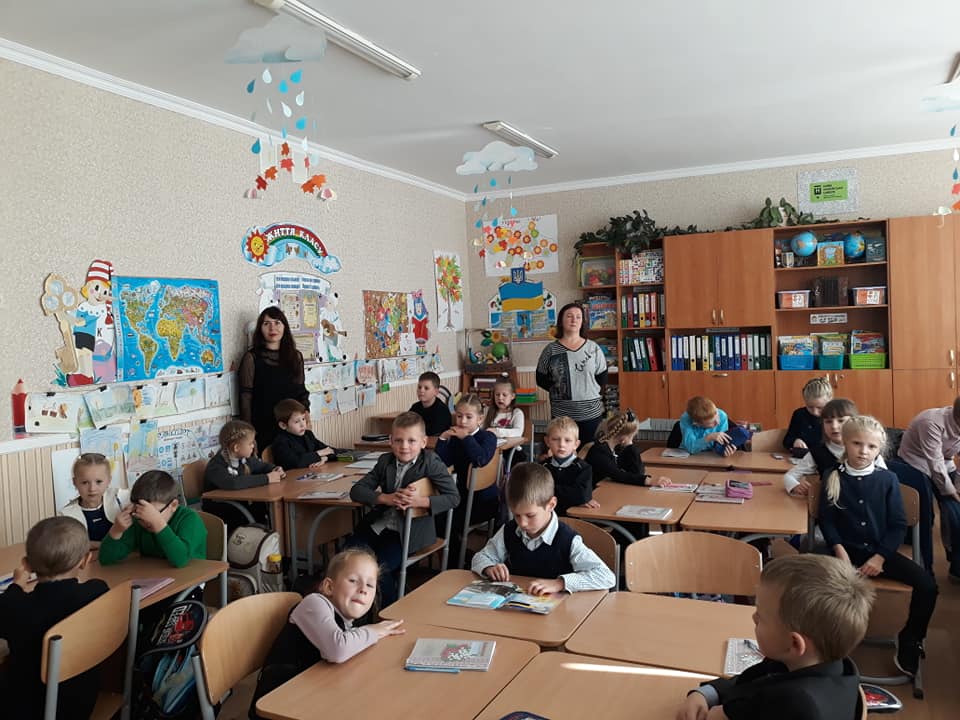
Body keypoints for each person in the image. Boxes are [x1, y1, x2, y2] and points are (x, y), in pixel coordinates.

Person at [675, 554, 874, 720]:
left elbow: (757, 699)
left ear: (794, 643)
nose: (753, 618)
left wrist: (724, 714)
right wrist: (706, 694)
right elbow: (750, 681)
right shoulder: (825, 663)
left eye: (761, 617)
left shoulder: (795, 704)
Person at [818, 416, 938, 677]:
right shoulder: (832, 475)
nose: (863, 451)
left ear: (879, 449)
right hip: (843, 552)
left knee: (928, 586)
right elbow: (826, 520)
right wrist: (839, 550)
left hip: (879, 552)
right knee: (813, 584)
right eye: (857, 444)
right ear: (845, 443)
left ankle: (910, 639)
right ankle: (824, 644)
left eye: (871, 446)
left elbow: (898, 525)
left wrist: (880, 557)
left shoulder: (888, 479)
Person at [249, 548, 405, 720]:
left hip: (310, 698)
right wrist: (373, 631)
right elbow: (338, 649)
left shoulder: (346, 622)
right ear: (329, 586)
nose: (363, 589)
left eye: (370, 585)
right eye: (353, 580)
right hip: (276, 708)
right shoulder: (314, 603)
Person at [0, 517, 109, 720]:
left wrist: (16, 585)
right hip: (82, 702)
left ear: (27, 564)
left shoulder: (15, 607)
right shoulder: (97, 591)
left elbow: (6, 605)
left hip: (27, 710)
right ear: (85, 560)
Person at [348, 412, 459, 605]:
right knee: (347, 559)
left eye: (411, 441)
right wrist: (385, 498)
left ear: (423, 442)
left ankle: (389, 610)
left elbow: (453, 498)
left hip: (409, 533)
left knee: (379, 569)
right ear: (391, 441)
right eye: (398, 440)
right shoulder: (385, 461)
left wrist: (420, 501)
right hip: (379, 525)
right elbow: (356, 491)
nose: (404, 446)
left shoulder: (431, 462)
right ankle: (356, 609)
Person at [471, 463, 615, 593]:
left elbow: (606, 576)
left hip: (560, 610)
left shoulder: (567, 539)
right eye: (516, 515)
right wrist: (489, 567)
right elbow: (480, 557)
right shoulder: (509, 530)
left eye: (530, 515)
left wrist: (559, 583)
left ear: (551, 505)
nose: (522, 523)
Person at [896, 398, 960, 582]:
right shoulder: (931, 422)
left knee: (956, 514)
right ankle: (926, 570)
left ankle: (956, 566)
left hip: (944, 464)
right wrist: (951, 492)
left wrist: (958, 487)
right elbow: (935, 463)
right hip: (914, 463)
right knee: (926, 516)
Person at [99, 470, 207, 569]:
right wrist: (116, 530)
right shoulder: (138, 520)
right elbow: (105, 559)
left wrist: (158, 524)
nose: (147, 520)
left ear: (173, 505)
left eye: (153, 514)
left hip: (192, 577)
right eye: (142, 513)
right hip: (154, 577)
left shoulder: (190, 519)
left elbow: (181, 560)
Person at [536, 302, 608, 444]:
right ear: (561, 321)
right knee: (562, 452)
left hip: (591, 415)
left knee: (591, 453)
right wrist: (559, 390)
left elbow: (602, 378)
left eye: (578, 317)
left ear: (582, 322)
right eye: (569, 316)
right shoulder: (551, 350)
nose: (574, 320)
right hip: (562, 417)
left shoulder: (593, 348)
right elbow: (541, 378)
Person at [239, 307, 309, 452]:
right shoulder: (251, 358)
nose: (272, 328)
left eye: (277, 322)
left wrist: (306, 417)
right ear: (260, 329)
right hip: (263, 426)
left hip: (292, 426)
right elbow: (245, 397)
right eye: (266, 323)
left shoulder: (296, 357)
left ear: (285, 327)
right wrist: (249, 433)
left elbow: (301, 391)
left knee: (299, 462)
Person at [783, 398, 874, 497]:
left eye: (841, 421)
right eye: (828, 421)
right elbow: (789, 476)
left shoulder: (869, 450)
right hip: (832, 504)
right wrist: (795, 486)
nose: (834, 426)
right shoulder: (818, 452)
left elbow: (884, 478)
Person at [203, 420, 285, 528]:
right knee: (256, 511)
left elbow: (263, 466)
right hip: (223, 510)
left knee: (264, 508)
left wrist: (275, 469)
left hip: (241, 504)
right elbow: (233, 483)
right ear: (236, 447)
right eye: (250, 443)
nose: (253, 446)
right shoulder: (216, 466)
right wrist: (267, 478)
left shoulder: (244, 459)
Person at [585, 409, 672, 487]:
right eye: (632, 437)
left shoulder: (617, 449)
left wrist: (630, 447)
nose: (632, 441)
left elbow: (637, 472)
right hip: (595, 494)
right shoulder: (599, 452)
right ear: (623, 439)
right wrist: (649, 481)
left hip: (608, 489)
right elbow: (618, 475)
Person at [59, 452, 130, 544]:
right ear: (75, 482)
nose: (92, 489)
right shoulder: (66, 515)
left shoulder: (119, 497)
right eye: (85, 482)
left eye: (99, 482)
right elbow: (71, 547)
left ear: (109, 480)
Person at [541, 416, 595, 516]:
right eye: (556, 439)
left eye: (567, 440)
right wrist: (571, 494)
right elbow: (537, 493)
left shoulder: (584, 468)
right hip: (546, 517)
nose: (561, 444)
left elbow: (582, 496)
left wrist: (549, 490)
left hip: (573, 518)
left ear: (576, 444)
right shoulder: (542, 467)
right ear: (547, 441)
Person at [271, 399, 337, 469]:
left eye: (303, 419)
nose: (302, 424)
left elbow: (330, 450)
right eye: (297, 422)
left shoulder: (308, 434)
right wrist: (319, 454)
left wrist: (325, 458)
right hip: (292, 475)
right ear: (283, 425)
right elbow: (295, 462)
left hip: (312, 472)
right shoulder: (281, 441)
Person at [783, 376, 833, 455]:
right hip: (804, 457)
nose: (815, 412)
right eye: (810, 407)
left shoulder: (835, 417)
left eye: (820, 408)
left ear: (829, 401)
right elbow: (787, 440)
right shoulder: (799, 414)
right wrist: (795, 441)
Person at [409, 371, 452, 440]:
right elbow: (407, 424)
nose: (421, 390)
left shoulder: (441, 411)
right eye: (419, 387)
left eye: (426, 388)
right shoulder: (415, 407)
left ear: (436, 392)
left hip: (436, 442)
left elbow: (432, 434)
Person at [483, 375, 525, 439]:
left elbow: (518, 432)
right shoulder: (486, 410)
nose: (500, 398)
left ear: (512, 396)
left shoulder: (517, 413)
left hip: (510, 445)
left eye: (504, 395)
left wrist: (497, 431)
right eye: (497, 394)